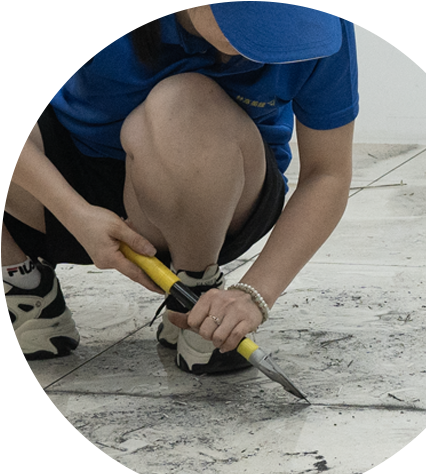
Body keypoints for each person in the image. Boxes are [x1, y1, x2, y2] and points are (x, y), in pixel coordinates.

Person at [1, 1, 358, 374]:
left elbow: (327, 173)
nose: (273, 44)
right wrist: (73, 212)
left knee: (182, 101)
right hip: (75, 185)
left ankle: (195, 286)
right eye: (254, 27)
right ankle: (19, 289)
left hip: (220, 200)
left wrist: (255, 294)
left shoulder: (321, 11)